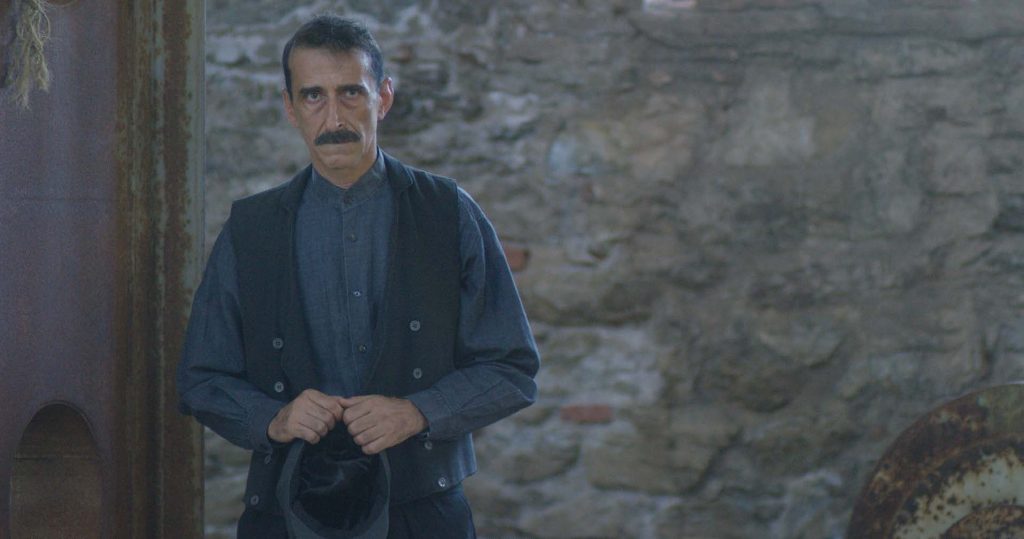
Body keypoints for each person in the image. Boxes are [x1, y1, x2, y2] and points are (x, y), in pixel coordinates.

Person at [177, 14, 540, 539]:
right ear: (290, 108)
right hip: (285, 510)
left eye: (351, 92)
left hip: (422, 512)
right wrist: (274, 419)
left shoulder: (448, 213)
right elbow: (202, 378)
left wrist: (418, 411)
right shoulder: (250, 230)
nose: (334, 117)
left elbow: (512, 367)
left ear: (383, 98)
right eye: (313, 96)